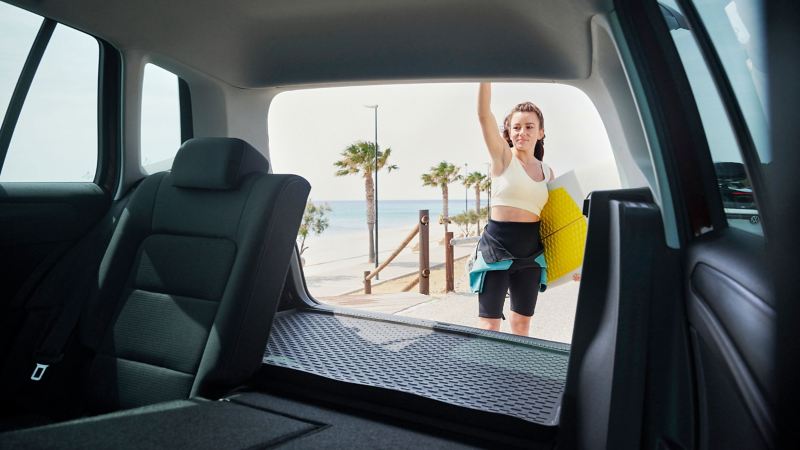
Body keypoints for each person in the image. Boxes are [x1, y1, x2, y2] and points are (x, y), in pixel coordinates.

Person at [470, 82, 554, 337]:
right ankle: (485, 377)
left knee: (521, 326)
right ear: (507, 133)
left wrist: (574, 268)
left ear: (540, 132)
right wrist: (485, 76)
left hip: (531, 254)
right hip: (496, 249)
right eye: (515, 127)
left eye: (529, 127)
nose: (522, 132)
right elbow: (484, 116)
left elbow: (555, 224)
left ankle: (515, 377)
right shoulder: (503, 159)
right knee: (490, 326)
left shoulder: (547, 172)